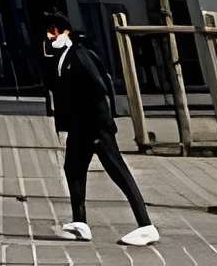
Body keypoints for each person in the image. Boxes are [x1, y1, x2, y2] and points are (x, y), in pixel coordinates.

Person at [45, 13, 159, 244]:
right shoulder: (64, 57)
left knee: (118, 171)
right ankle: (80, 222)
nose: (49, 38)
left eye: (53, 32)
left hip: (94, 126)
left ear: (65, 32)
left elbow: (99, 87)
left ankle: (146, 226)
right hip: (80, 127)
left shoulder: (80, 55)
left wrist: (98, 122)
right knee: (73, 169)